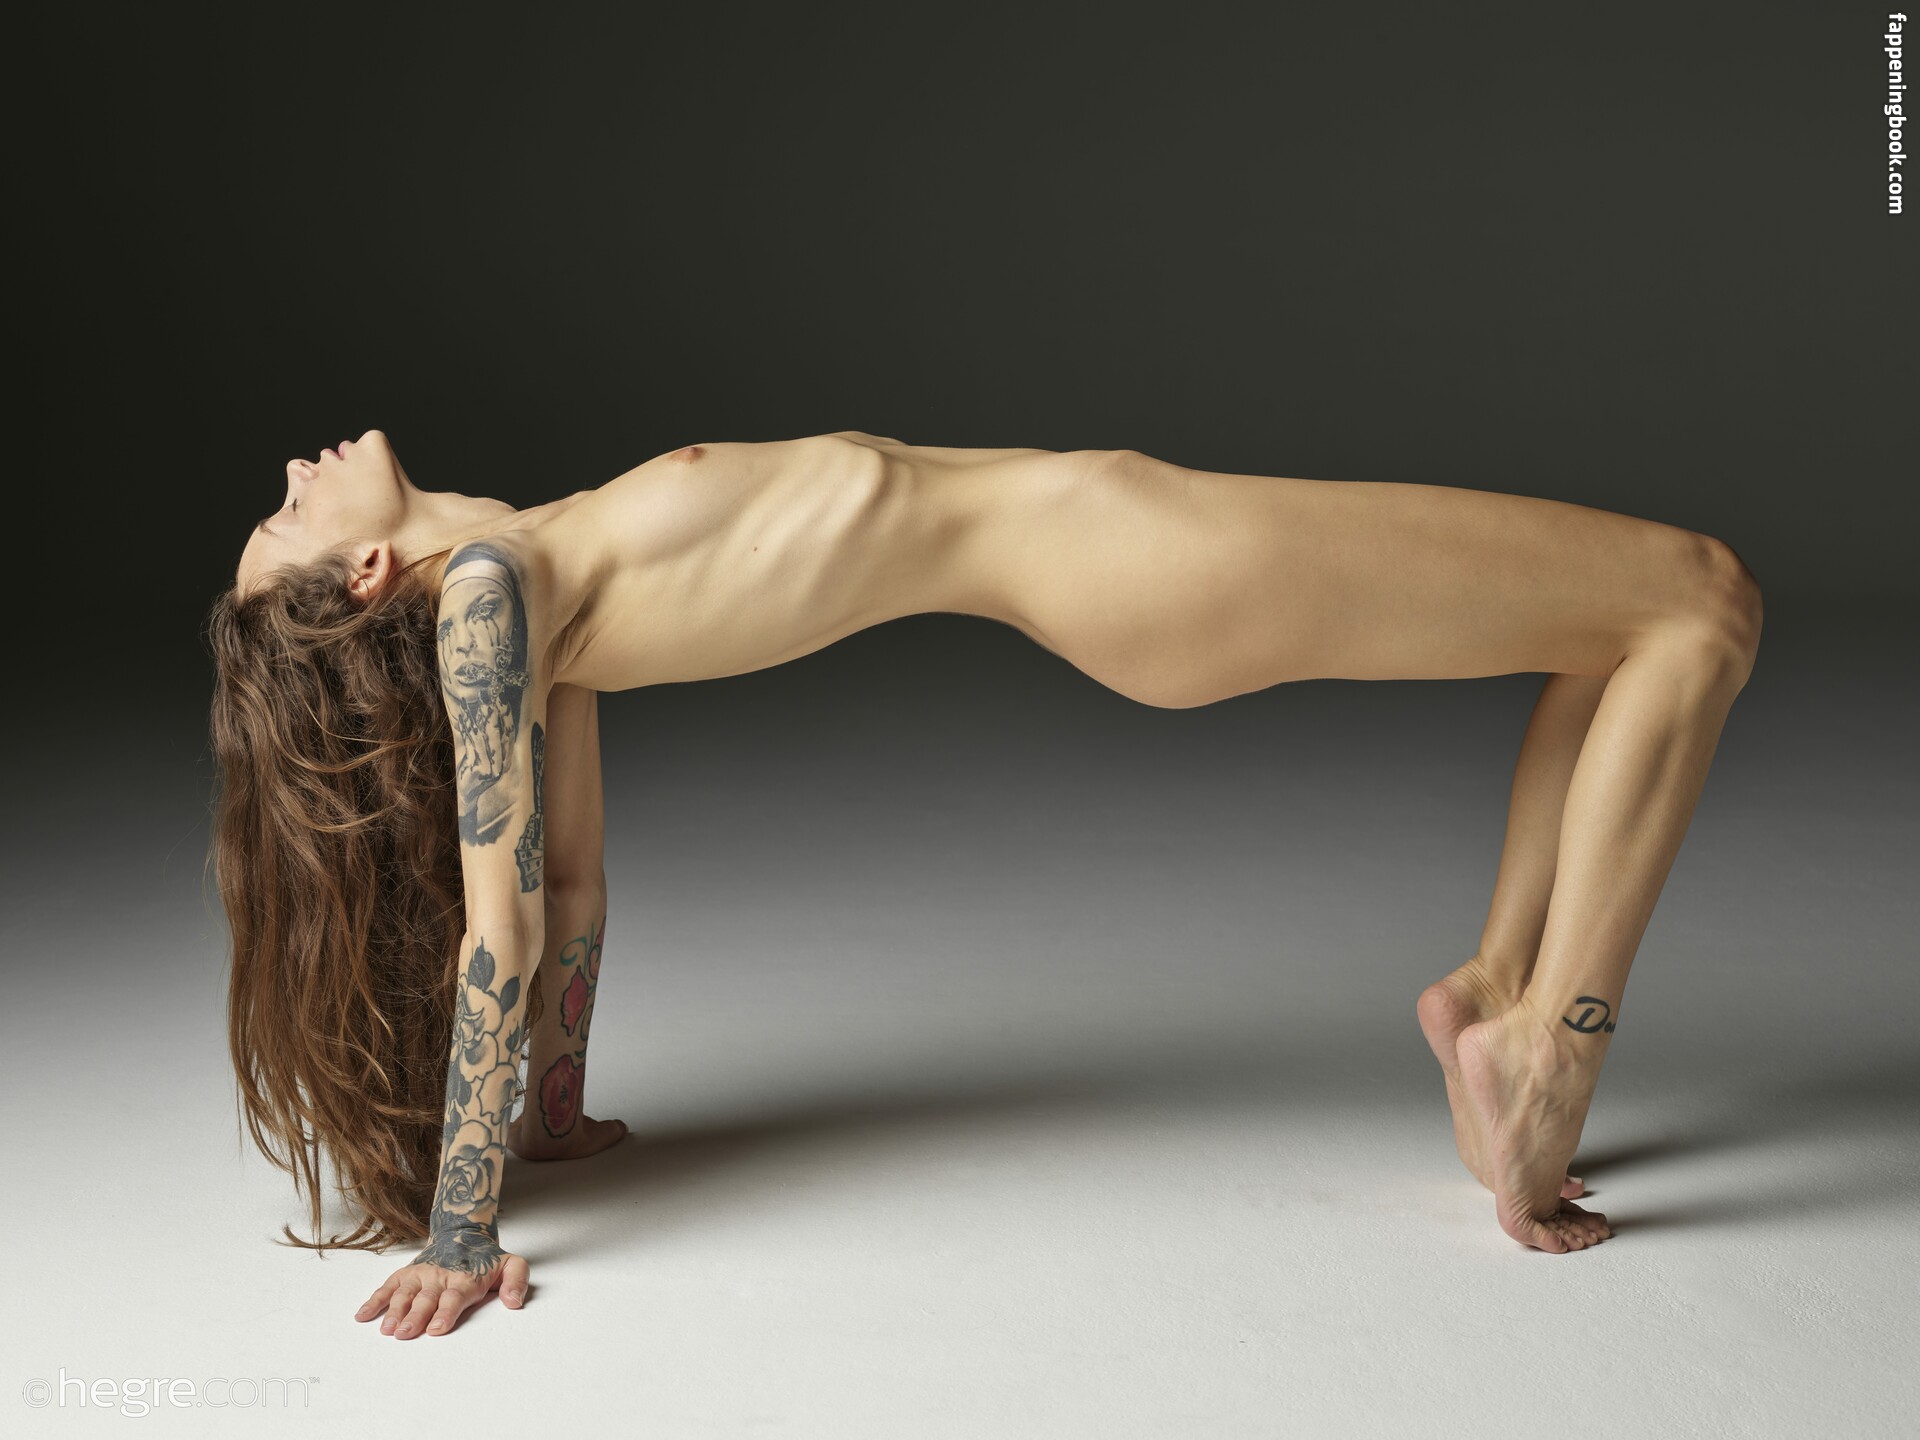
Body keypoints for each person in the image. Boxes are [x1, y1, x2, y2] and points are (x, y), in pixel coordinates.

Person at [206, 427, 1762, 1338]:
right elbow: (507, 918)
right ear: (368, 575)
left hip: (1114, 549)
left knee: (1639, 618)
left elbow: (575, 873)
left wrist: (552, 1116)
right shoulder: (491, 596)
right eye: (286, 517)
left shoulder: (531, 575)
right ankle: (1557, 1048)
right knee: (1698, 601)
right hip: (1131, 556)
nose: (294, 470)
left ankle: (1499, 992)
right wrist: (462, 1231)